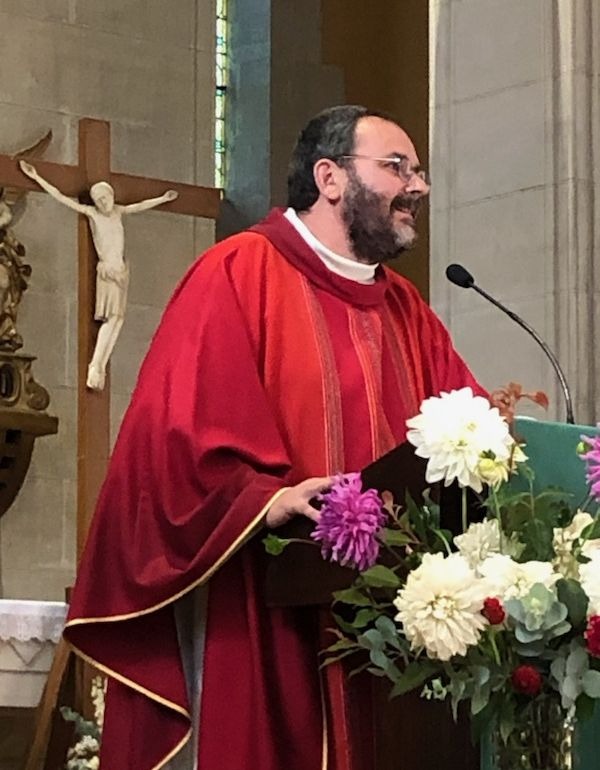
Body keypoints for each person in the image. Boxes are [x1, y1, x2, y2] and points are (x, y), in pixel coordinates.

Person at [64, 105, 484, 770]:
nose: (418, 187)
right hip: (267, 605)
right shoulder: (237, 273)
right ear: (331, 178)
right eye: (397, 167)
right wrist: (263, 499)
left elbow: (471, 430)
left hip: (394, 628)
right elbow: (172, 435)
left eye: (420, 171)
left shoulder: (409, 310)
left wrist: (499, 444)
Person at [18, 160, 178, 390]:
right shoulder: (93, 214)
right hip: (107, 272)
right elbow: (61, 197)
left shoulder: (118, 212)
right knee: (111, 318)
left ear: (111, 196)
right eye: (99, 200)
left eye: (106, 198)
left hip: (121, 272)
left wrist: (163, 199)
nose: (104, 203)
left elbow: (141, 205)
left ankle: (100, 364)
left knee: (118, 319)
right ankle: (96, 365)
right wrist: (36, 178)